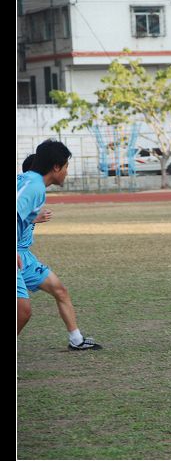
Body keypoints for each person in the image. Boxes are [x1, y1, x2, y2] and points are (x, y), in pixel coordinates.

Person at [17, 140, 102, 350]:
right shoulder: (34, 186)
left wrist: (31, 218)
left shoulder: (32, 183)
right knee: (23, 311)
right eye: (66, 167)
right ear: (56, 167)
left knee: (59, 290)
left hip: (24, 256)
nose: (66, 172)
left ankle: (76, 340)